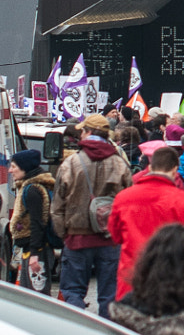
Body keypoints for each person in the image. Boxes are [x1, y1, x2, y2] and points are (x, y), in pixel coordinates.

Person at [51, 116, 132, 315]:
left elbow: (58, 205)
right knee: (109, 295)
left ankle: (78, 332)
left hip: (77, 238)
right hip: (109, 239)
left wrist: (65, 234)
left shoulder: (71, 163)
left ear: (88, 132)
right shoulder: (120, 163)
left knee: (72, 291)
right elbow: (128, 200)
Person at [107, 145, 184, 290]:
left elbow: (115, 236)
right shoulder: (183, 200)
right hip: (171, 276)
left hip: (132, 274)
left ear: (151, 166)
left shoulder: (123, 197)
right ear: (174, 169)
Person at [8, 151, 56, 293]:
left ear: (25, 167)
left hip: (37, 250)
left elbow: (37, 223)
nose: (10, 170)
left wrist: (35, 254)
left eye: (13, 166)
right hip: (31, 249)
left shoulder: (33, 190)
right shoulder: (30, 187)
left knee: (37, 294)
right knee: (28, 294)